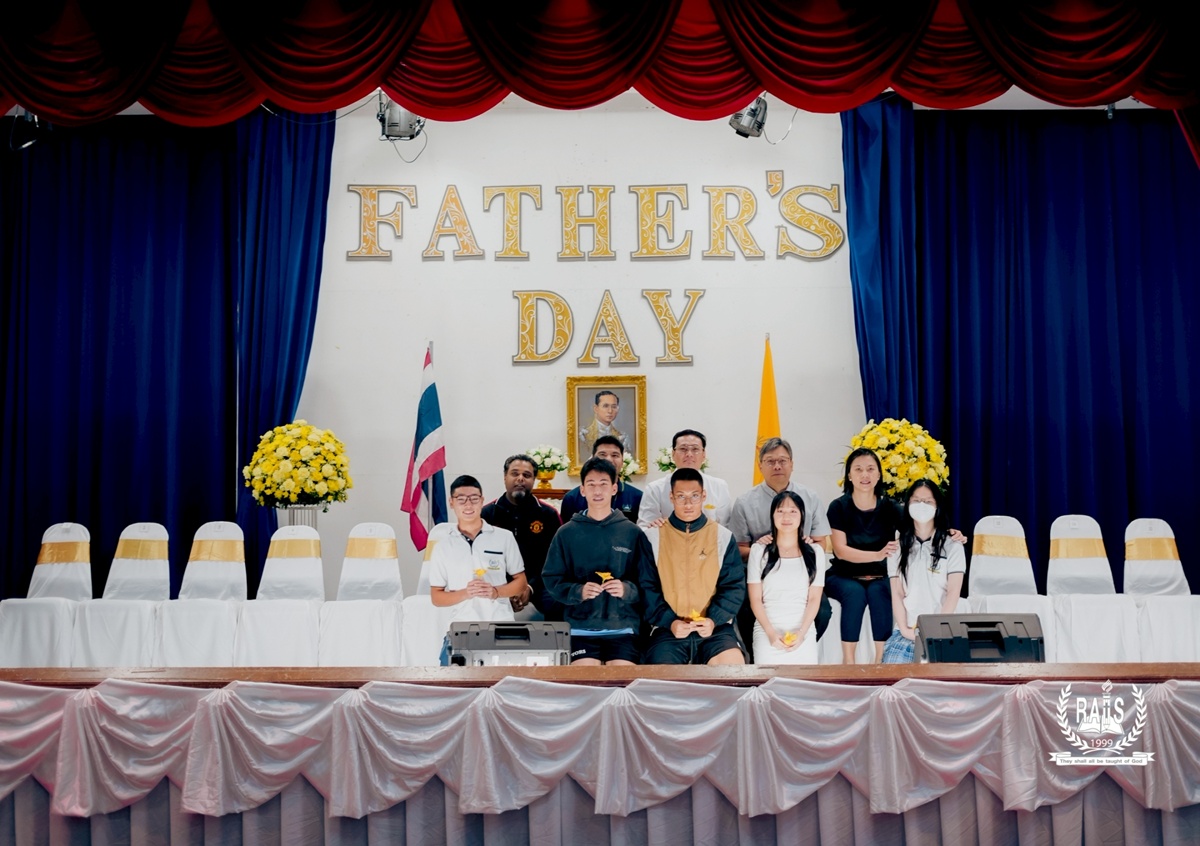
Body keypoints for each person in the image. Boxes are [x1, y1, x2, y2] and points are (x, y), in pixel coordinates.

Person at [541, 456, 652, 665]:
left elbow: (648, 583)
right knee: (585, 676)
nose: (597, 491)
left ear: (614, 488)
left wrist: (626, 589)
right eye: (591, 485)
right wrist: (578, 591)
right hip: (579, 628)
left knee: (621, 677)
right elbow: (551, 579)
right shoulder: (566, 533)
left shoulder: (632, 532)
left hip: (623, 627)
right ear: (582, 490)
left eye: (603, 484)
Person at [728, 437, 832, 650]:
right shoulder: (745, 502)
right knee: (745, 610)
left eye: (783, 461)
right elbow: (738, 549)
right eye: (770, 461)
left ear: (792, 464)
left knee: (823, 611)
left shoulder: (810, 497)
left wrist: (804, 547)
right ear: (760, 466)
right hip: (760, 576)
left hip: (801, 573)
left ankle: (795, 647)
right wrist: (760, 550)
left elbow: (821, 544)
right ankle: (755, 655)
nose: (777, 466)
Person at [640, 468, 745, 665]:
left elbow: (734, 586)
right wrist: (670, 622)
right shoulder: (652, 537)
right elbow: (647, 588)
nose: (688, 504)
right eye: (681, 496)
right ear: (671, 497)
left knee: (733, 671)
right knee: (659, 679)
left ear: (703, 496)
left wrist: (713, 620)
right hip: (667, 630)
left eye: (694, 496)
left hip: (714, 629)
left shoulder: (722, 537)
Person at [429, 475, 528, 663]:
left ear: (482, 500)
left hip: (501, 626)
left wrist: (496, 592)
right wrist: (466, 593)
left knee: (503, 679)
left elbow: (521, 582)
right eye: (461, 499)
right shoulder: (443, 546)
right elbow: (436, 597)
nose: (468, 505)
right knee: (453, 678)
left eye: (474, 498)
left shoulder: (503, 537)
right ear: (451, 502)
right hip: (461, 628)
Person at [824, 448, 902, 664]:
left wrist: (949, 533)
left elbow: (917, 532)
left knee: (879, 591)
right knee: (854, 593)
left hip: (880, 575)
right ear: (849, 475)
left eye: (870, 469)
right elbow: (841, 550)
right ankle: (848, 662)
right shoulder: (838, 507)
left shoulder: (891, 507)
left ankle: (881, 661)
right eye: (858, 469)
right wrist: (878, 554)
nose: (865, 475)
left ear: (878, 475)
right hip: (843, 575)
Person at [883, 479, 966, 664]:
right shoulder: (896, 548)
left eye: (928, 501)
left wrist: (938, 628)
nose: (921, 505)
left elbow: (953, 592)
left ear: (937, 506)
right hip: (906, 631)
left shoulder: (953, 545)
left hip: (944, 631)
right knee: (894, 672)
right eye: (916, 500)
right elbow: (897, 594)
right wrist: (905, 630)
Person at [747, 491, 826, 664]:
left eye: (793, 511)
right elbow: (755, 599)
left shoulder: (815, 553)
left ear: (802, 515)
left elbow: (814, 599)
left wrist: (801, 633)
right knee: (767, 679)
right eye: (780, 511)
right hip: (767, 632)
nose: (786, 517)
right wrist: (771, 633)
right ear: (772, 515)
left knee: (803, 681)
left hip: (803, 632)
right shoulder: (758, 551)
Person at [481, 454, 561, 617]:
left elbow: (555, 560)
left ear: (534, 480)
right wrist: (506, 590)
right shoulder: (487, 514)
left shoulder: (548, 515)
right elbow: (479, 559)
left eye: (527, 475)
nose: (520, 479)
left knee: (558, 601)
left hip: (538, 583)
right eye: (515, 473)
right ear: (505, 477)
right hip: (497, 583)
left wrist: (529, 587)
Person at [637, 429, 732, 527]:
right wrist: (653, 526)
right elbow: (644, 527)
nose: (689, 454)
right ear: (673, 454)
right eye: (683, 449)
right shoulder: (655, 489)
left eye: (695, 449)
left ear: (704, 454)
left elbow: (725, 527)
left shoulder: (719, 486)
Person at [558, 436, 643, 523]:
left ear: (622, 461)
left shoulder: (637, 497)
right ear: (592, 459)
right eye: (602, 454)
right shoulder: (572, 498)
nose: (609, 459)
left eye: (615, 455)